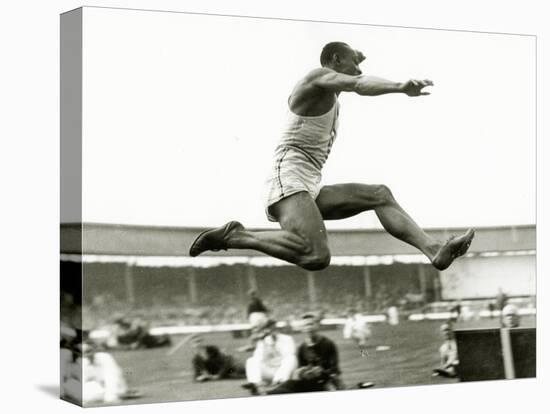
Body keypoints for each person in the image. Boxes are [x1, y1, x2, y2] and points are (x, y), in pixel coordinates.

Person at [190, 41, 475, 272]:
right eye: (353, 63)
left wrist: (356, 59)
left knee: (379, 194)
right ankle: (235, 236)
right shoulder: (315, 79)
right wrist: (400, 87)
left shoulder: (332, 90)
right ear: (336, 61)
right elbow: (360, 84)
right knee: (316, 256)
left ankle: (434, 250)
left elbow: (354, 77)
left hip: (309, 181)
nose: (358, 69)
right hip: (288, 177)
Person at [268, 312, 346, 394]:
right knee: (285, 387)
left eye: (311, 324)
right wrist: (304, 373)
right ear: (302, 328)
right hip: (307, 383)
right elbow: (300, 370)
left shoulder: (328, 344)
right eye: (306, 325)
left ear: (317, 326)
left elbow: (334, 371)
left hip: (324, 383)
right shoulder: (302, 348)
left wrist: (322, 372)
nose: (309, 327)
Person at [242, 319, 297, 395]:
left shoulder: (287, 338)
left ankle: (279, 382)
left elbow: (289, 354)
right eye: (269, 329)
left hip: (283, 370)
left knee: (291, 358)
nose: (272, 330)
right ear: (266, 330)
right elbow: (258, 359)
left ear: (276, 329)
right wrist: (263, 343)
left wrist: (275, 344)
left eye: (273, 328)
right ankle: (255, 383)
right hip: (270, 370)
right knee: (251, 360)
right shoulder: (263, 341)